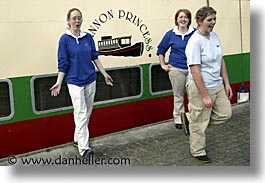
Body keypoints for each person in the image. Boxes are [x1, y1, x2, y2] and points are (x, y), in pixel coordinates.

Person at [50, 8, 113, 159]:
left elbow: (95, 57)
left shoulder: (88, 38)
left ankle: (77, 139)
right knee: (81, 113)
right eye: (74, 18)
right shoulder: (64, 40)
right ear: (68, 21)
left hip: (90, 79)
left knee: (86, 112)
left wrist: (104, 74)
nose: (77, 21)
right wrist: (59, 82)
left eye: (79, 18)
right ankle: (84, 149)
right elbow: (63, 63)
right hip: (74, 82)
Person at [182, 6, 233, 163]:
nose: (213, 23)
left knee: (226, 114)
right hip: (200, 88)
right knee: (200, 122)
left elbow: (221, 60)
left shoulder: (214, 36)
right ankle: (197, 150)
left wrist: (227, 83)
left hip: (217, 85)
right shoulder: (194, 42)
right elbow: (195, 71)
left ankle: (191, 120)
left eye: (214, 20)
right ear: (199, 21)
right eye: (209, 20)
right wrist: (204, 95)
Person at [157, 9, 195, 129]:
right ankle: (178, 118)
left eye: (186, 17)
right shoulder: (170, 34)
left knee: (193, 95)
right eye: (181, 17)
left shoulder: (195, 33)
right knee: (178, 95)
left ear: (189, 20)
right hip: (176, 69)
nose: (183, 20)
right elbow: (161, 49)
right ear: (177, 19)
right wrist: (163, 64)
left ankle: (193, 117)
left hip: (192, 69)